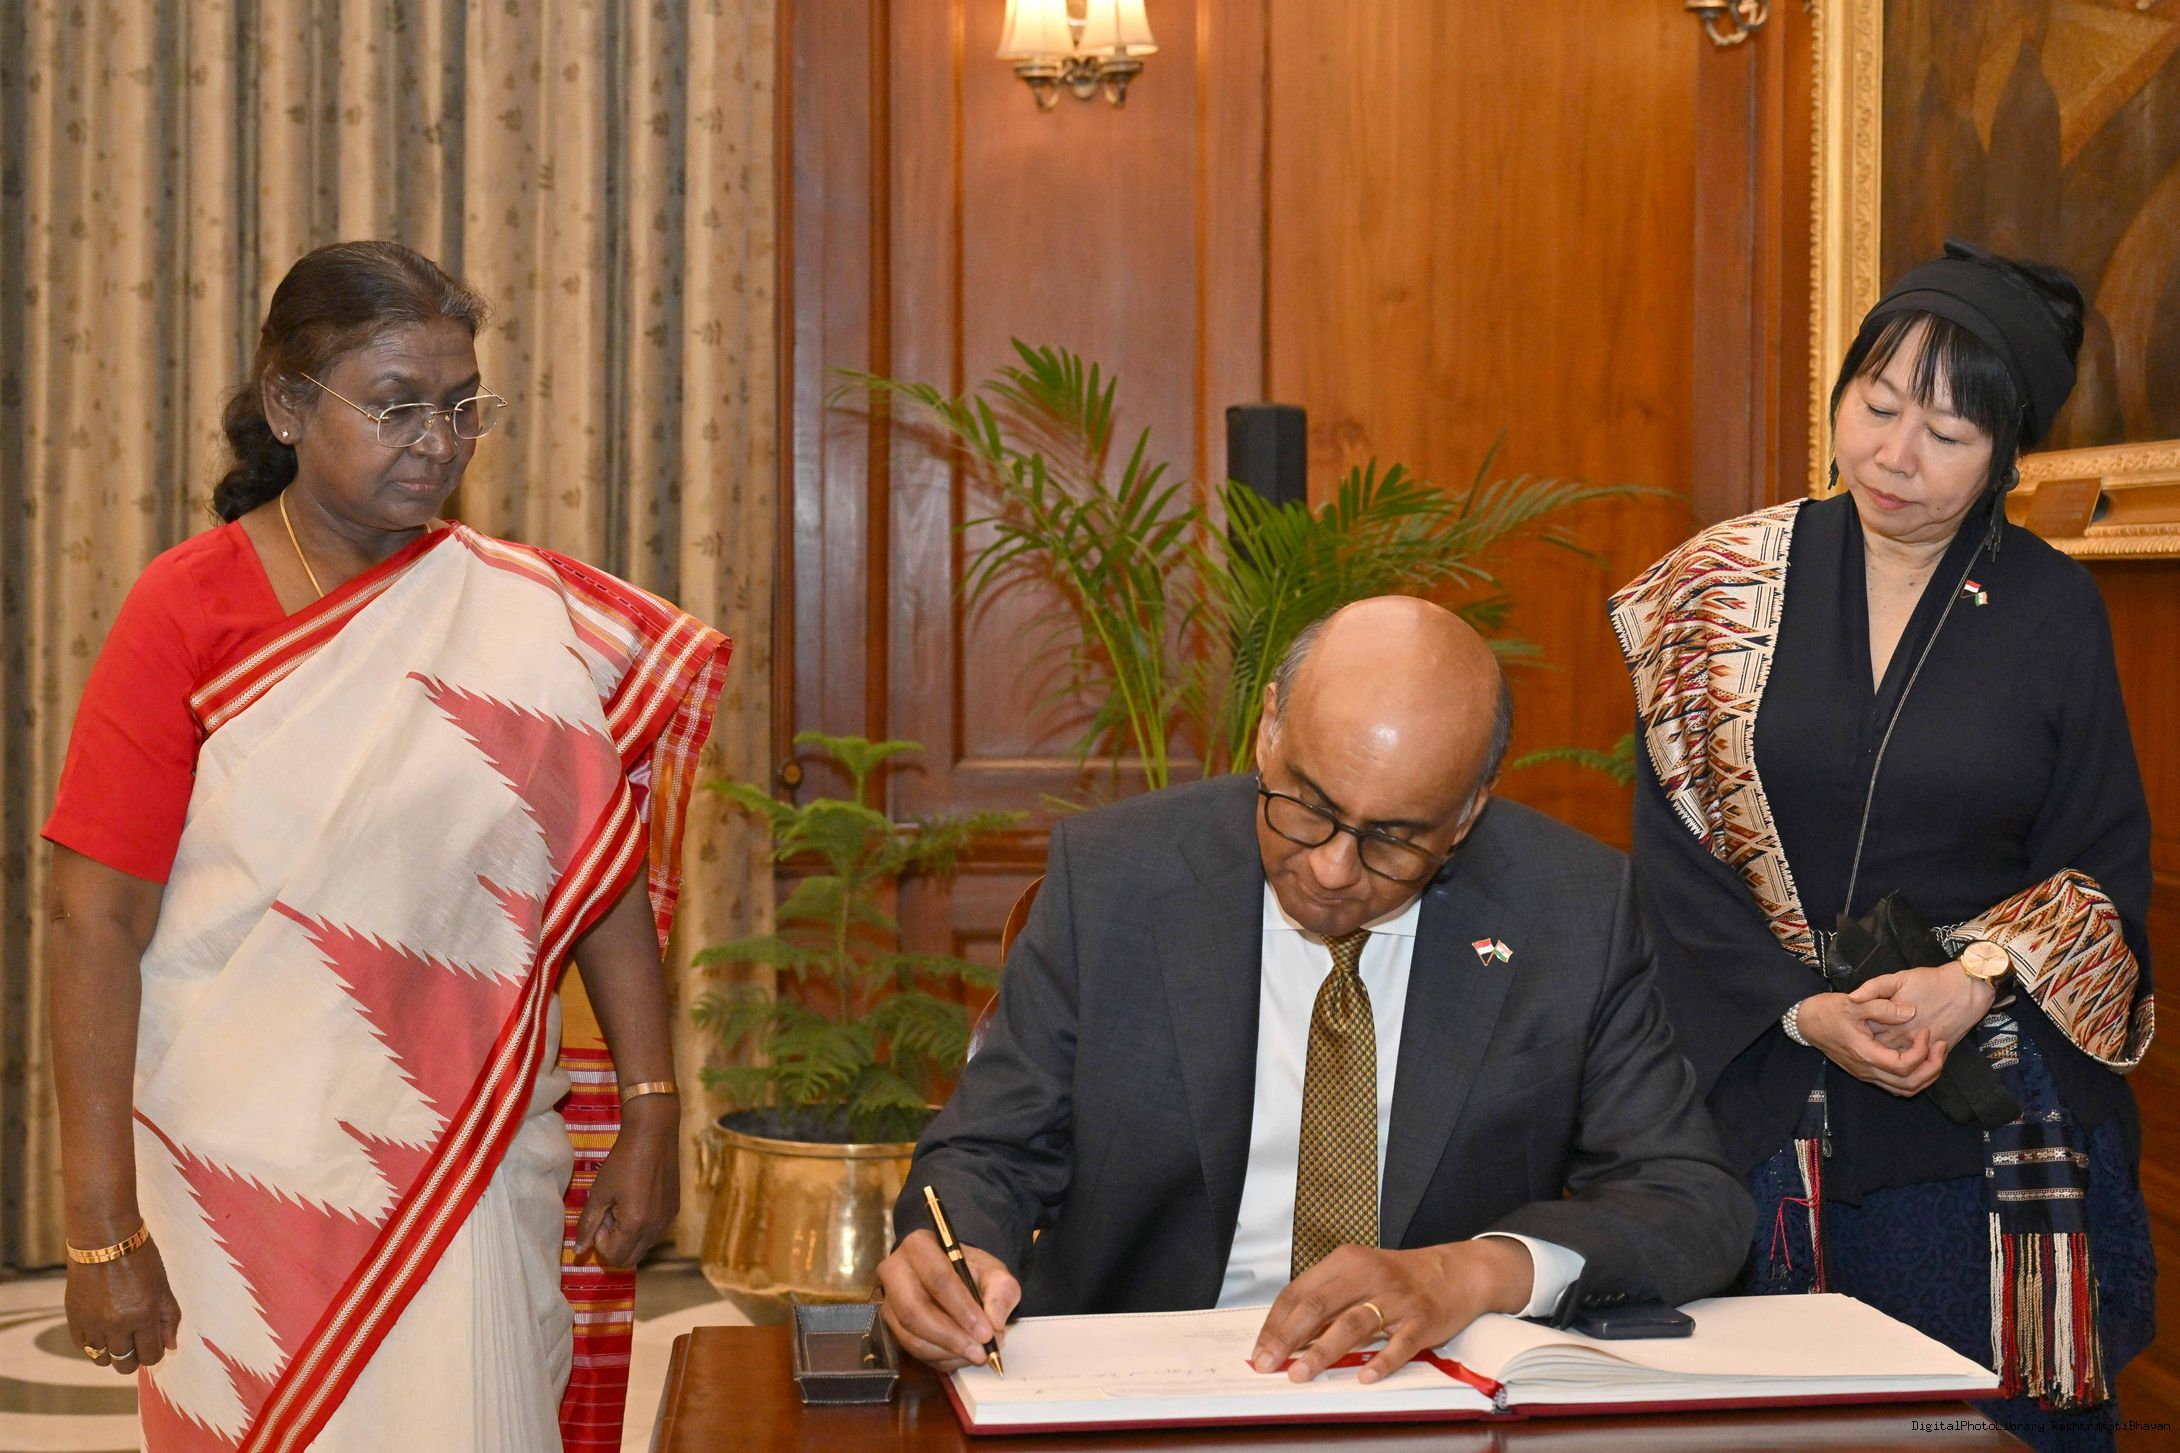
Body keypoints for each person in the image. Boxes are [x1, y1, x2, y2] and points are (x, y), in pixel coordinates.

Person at [42, 241, 731, 1450]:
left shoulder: (513, 610)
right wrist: (101, 1228)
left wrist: (652, 1104)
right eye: (396, 405)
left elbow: (596, 866)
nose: (438, 441)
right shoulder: (185, 609)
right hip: (233, 1171)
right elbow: (91, 920)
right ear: (288, 404)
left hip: (466, 1159)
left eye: (461, 406)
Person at [876, 596, 1752, 1383]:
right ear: (1269, 729)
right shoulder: (1116, 880)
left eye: (1394, 838)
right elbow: (987, 1154)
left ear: (1468, 812)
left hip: (1421, 1389)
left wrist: (1468, 1271)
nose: (1332, 869)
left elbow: (1690, 1200)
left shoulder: (1570, 910)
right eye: (1307, 806)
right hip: (1139, 1382)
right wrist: (953, 1257)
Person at [1611, 241, 2155, 1452]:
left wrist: (1972, 979)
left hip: (1978, 1110)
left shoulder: (2051, 608)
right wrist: (1800, 1008)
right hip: (1756, 1083)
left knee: (1975, 1424)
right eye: (1876, 403)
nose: (1894, 454)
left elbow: (2100, 873)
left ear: (2006, 457)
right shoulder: (1717, 586)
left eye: (1946, 432)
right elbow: (1673, 855)